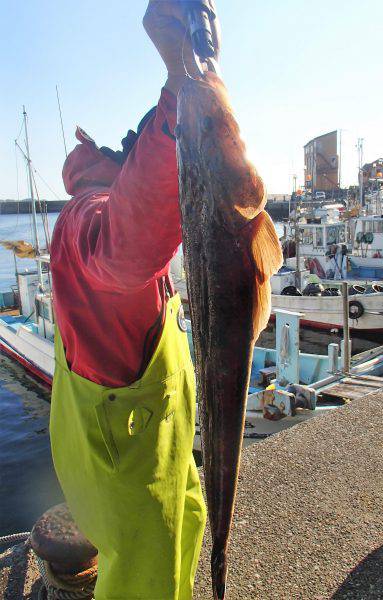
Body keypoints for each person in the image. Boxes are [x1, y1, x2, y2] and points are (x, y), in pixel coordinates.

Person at [49, 2, 220, 598]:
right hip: (131, 474)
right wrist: (178, 84)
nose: (133, 148)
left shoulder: (96, 210)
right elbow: (129, 237)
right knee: (144, 582)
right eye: (124, 149)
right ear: (97, 170)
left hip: (156, 454)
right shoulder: (86, 219)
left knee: (183, 537)